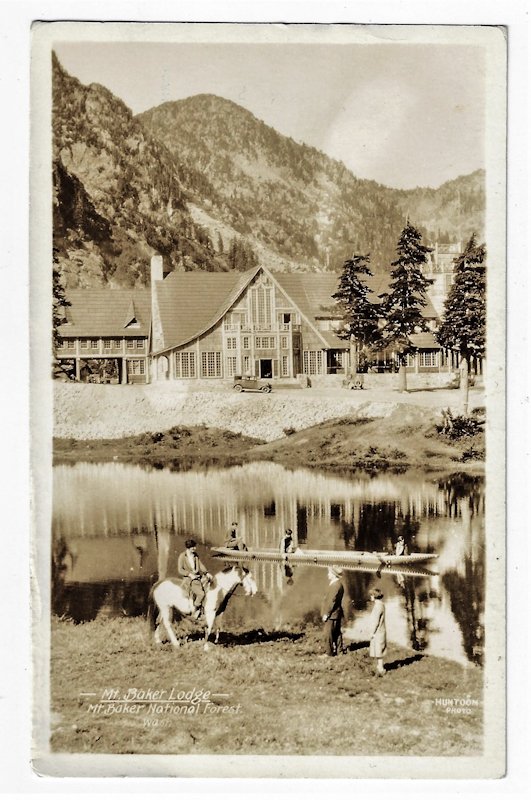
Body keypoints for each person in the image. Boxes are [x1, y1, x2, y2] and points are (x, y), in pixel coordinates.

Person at [177, 539, 212, 619]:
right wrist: (189, 574)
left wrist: (206, 573)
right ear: (188, 548)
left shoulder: (195, 555)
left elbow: (200, 565)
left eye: (194, 547)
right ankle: (196, 610)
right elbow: (180, 570)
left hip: (197, 576)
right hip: (189, 578)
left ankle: (204, 610)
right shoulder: (182, 556)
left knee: (208, 586)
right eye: (193, 548)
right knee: (201, 594)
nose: (194, 549)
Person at [320, 566, 345, 657]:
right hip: (336, 613)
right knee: (337, 632)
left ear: (334, 575)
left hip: (332, 614)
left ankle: (329, 653)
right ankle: (340, 650)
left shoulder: (335, 585)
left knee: (328, 634)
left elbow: (332, 601)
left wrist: (326, 614)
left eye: (329, 573)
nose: (328, 574)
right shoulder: (338, 584)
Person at [368, 587, 386, 677]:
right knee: (378, 650)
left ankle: (381, 669)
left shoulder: (378, 606)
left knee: (379, 650)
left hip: (378, 632)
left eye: (371, 595)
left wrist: (372, 632)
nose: (370, 597)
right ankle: (380, 667)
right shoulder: (380, 605)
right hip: (380, 631)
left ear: (374, 596)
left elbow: (376, 621)